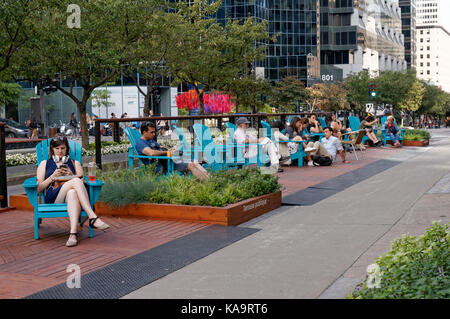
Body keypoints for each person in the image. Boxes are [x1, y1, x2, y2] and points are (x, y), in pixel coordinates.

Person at [36, 134, 110, 247]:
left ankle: (73, 234)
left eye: (62, 148)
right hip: (54, 197)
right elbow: (38, 189)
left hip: (70, 197)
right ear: (52, 149)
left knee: (73, 193)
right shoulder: (44, 164)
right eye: (57, 148)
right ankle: (92, 217)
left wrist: (72, 175)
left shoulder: (75, 163)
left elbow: (83, 183)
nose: (60, 151)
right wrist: (52, 177)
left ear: (67, 149)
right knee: (76, 181)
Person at [135, 122, 209, 180]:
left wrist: (169, 149)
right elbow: (151, 153)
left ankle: (211, 180)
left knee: (195, 161)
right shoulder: (140, 143)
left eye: (154, 132)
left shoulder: (151, 141)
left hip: (168, 160)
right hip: (163, 165)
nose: (154, 134)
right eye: (152, 132)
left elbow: (160, 147)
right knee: (191, 164)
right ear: (144, 132)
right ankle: (209, 184)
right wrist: (167, 152)